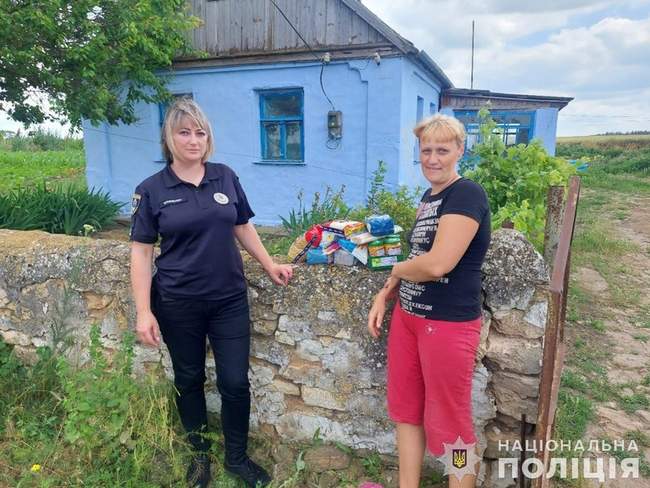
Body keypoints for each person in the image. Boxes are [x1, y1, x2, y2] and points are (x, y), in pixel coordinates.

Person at [130, 98, 292, 488]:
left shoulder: (224, 176)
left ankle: (236, 458)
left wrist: (269, 263)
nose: (193, 140)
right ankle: (199, 458)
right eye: (184, 132)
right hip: (176, 302)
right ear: (169, 138)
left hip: (228, 300)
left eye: (200, 132)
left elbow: (242, 225)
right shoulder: (151, 190)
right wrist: (143, 311)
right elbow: (141, 250)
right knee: (188, 380)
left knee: (235, 382)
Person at [367, 114, 491, 488]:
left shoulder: (466, 193)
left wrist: (394, 269)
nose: (433, 158)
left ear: (459, 151)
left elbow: (437, 264)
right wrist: (386, 290)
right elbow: (417, 258)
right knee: (406, 413)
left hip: (448, 324)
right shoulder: (430, 197)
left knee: (452, 424)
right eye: (426, 150)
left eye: (442, 150)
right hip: (409, 319)